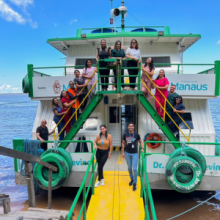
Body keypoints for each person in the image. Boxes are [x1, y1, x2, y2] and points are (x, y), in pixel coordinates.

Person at [122, 123, 144, 191]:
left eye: (132, 126)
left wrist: (142, 148)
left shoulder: (136, 134)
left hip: (134, 153)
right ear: (128, 127)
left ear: (133, 127)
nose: (131, 127)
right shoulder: (125, 134)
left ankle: (134, 183)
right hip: (127, 153)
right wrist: (122, 152)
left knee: (134, 169)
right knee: (129, 167)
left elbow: (141, 142)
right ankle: (132, 179)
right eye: (129, 126)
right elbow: (123, 143)